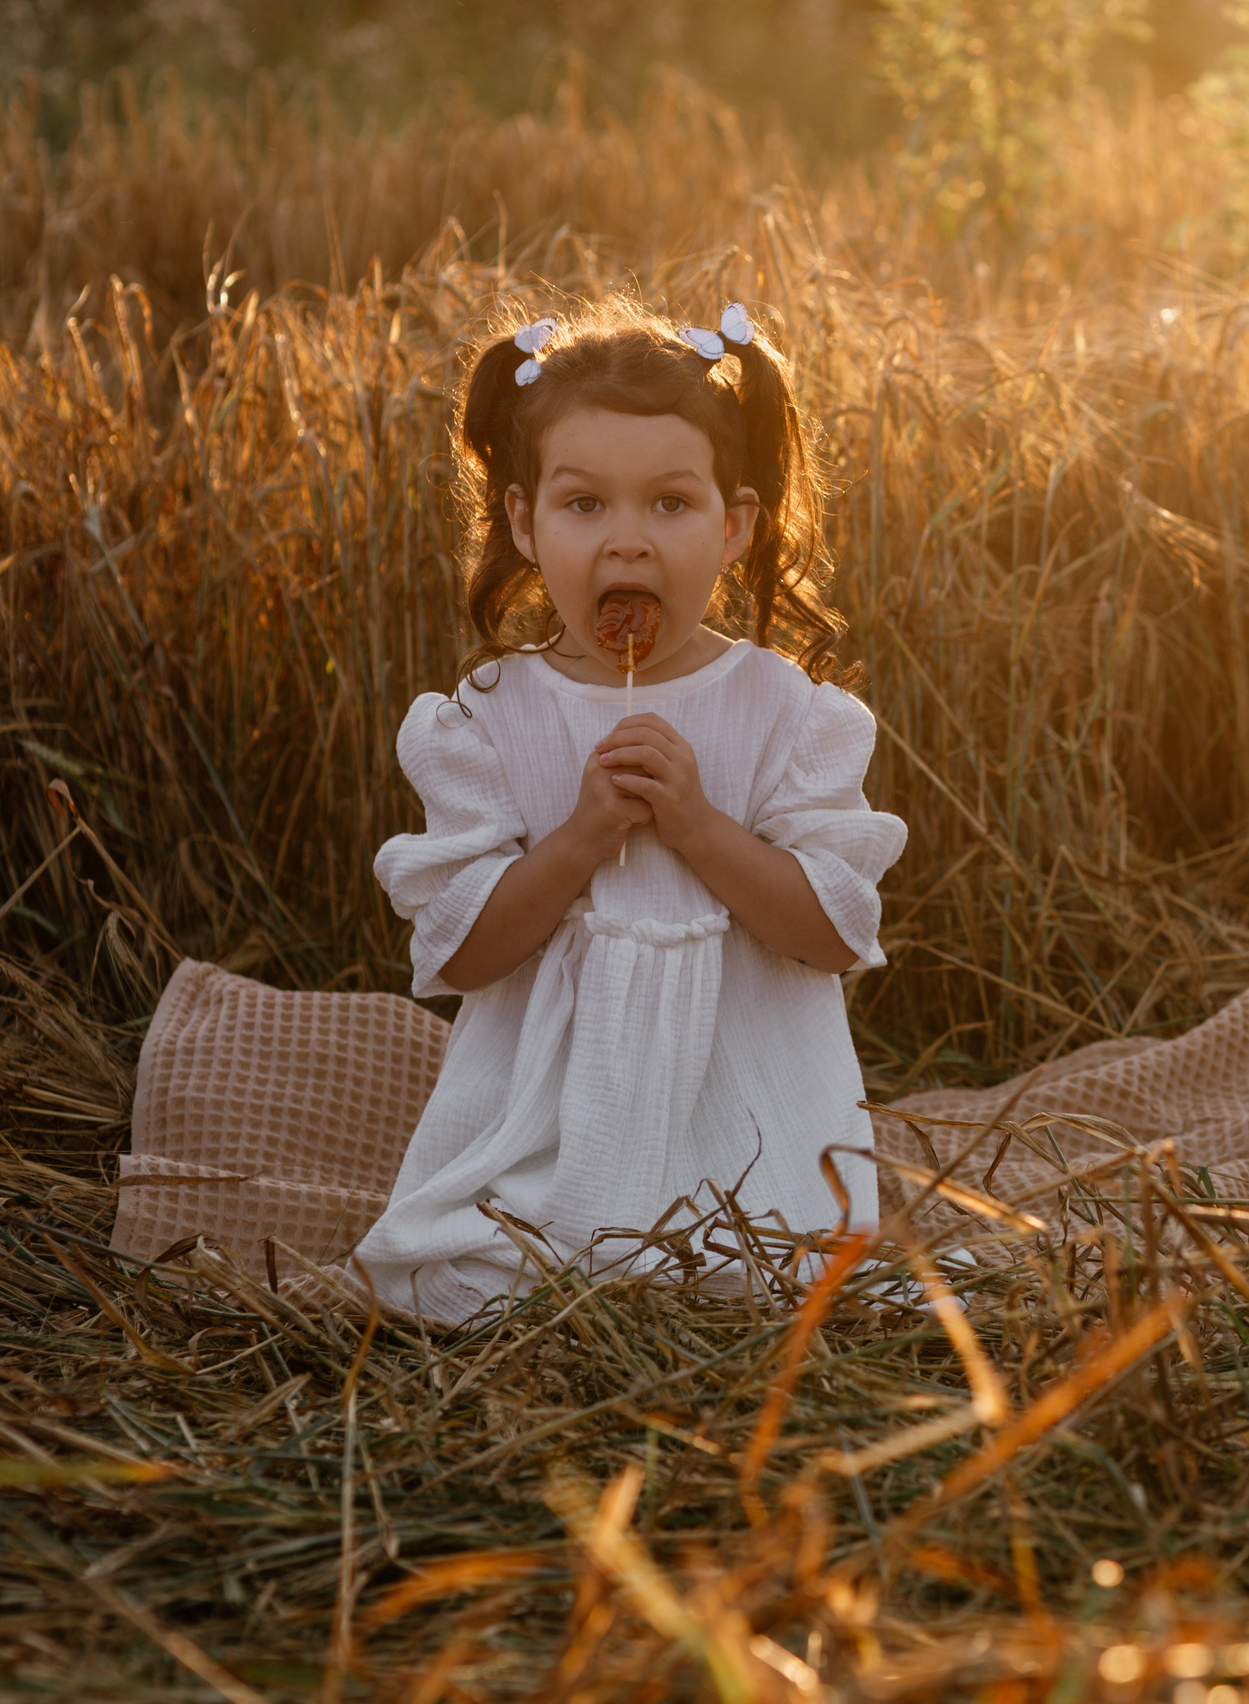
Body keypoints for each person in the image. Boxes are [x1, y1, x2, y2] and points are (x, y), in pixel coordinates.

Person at [352, 298, 905, 1323]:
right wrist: (579, 839)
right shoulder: (484, 722)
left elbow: (830, 935)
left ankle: (730, 1250)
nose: (628, 543)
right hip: (555, 1116)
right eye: (585, 505)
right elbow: (463, 958)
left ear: (732, 524)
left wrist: (696, 826)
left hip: (741, 1110)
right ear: (522, 521)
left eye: (668, 504)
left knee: (768, 1275)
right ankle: (556, 1240)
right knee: (459, 1280)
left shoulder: (787, 714)